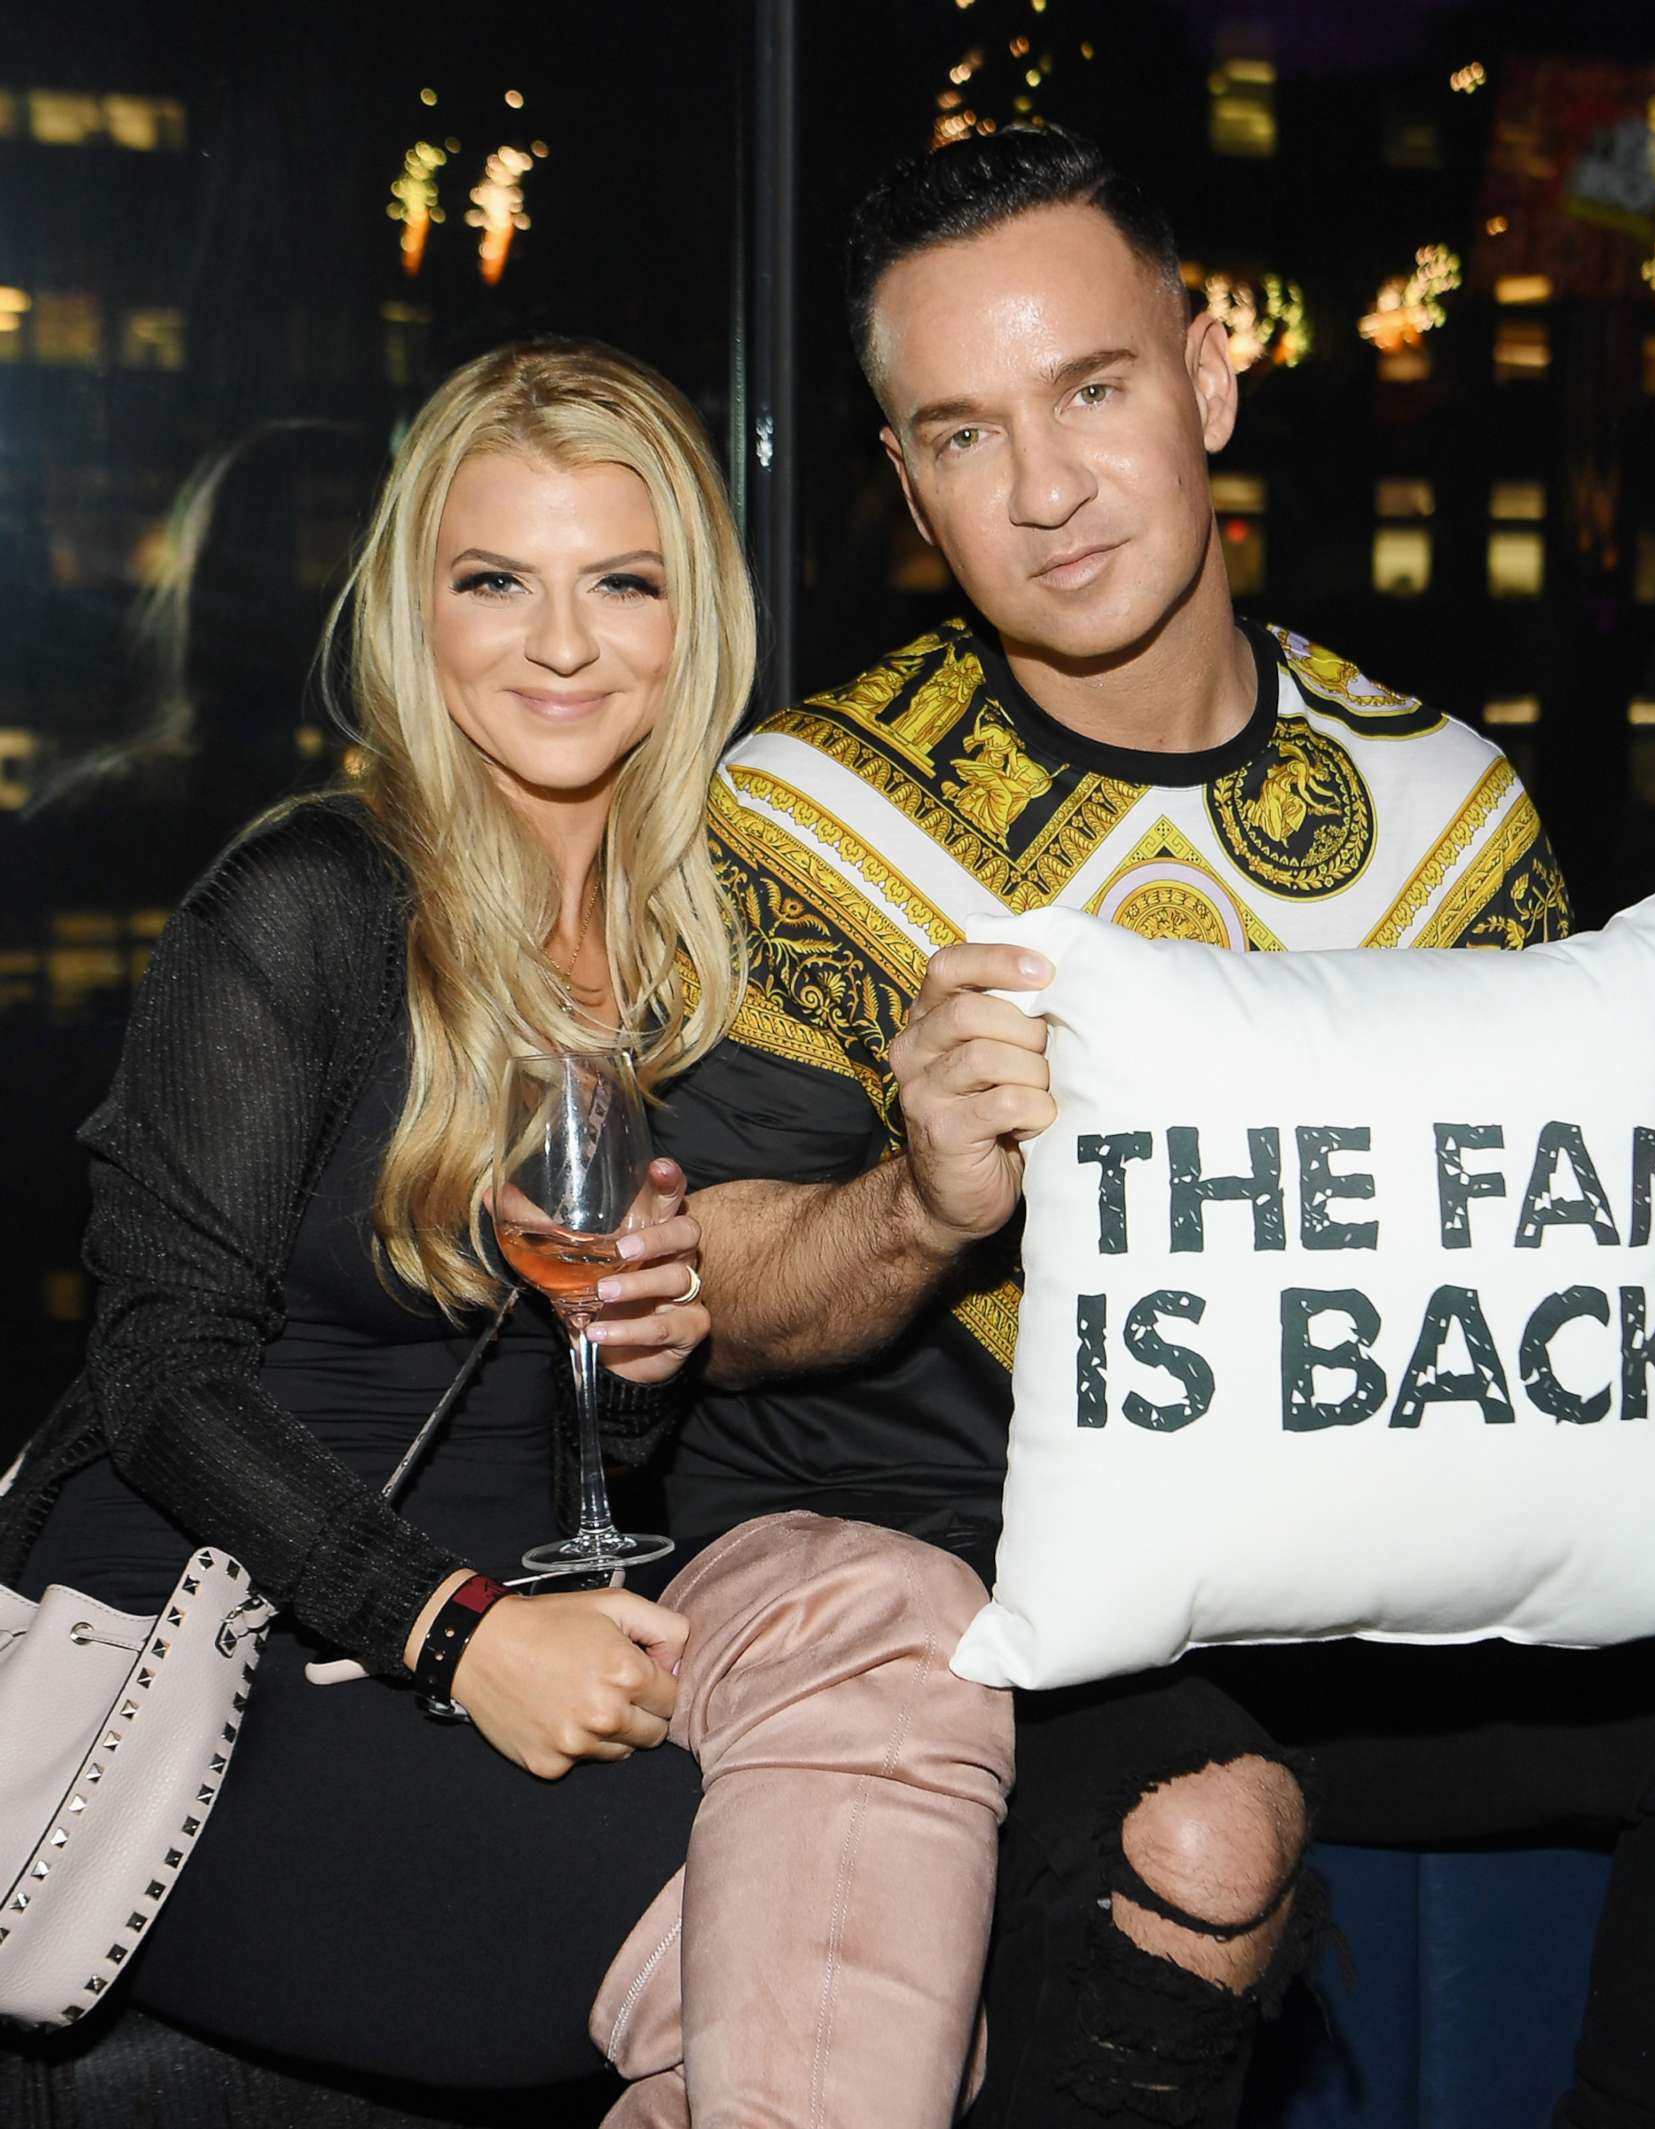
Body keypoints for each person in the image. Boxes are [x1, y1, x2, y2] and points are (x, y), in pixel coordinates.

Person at [654, 125, 1655, 2129]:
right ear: (902, 487)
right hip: (1015, 1605)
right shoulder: (808, 811)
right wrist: (918, 1201)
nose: (1042, 491)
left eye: (1094, 390)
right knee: (1207, 1833)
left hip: (1381, 1576)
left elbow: (1556, 1264)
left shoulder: (1452, 809)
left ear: (1207, 377)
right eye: (960, 435)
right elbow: (713, 1295)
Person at [0, 340, 1011, 2123]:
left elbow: (582, 1416)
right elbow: (153, 1371)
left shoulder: (688, 947)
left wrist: (646, 1358)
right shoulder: (305, 902)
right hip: (218, 1664)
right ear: (417, 606)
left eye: (621, 581)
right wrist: (457, 1630)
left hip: (531, 1600)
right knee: (849, 1991)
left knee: (901, 1620)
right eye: (498, 582)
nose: (561, 643)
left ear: (690, 615)